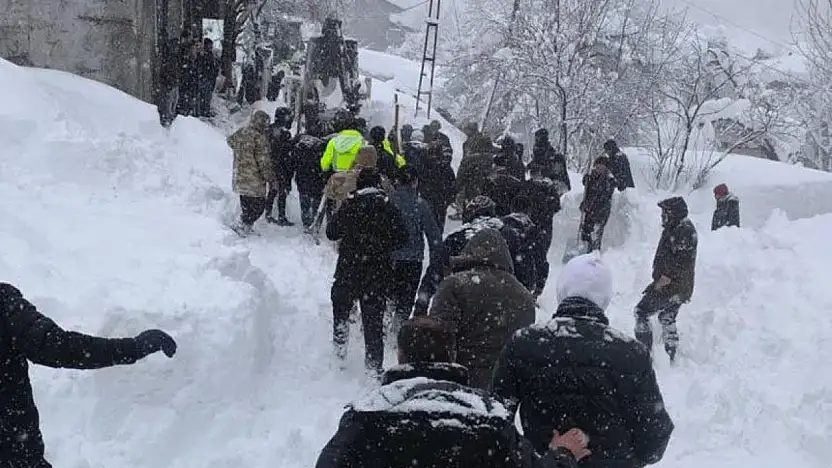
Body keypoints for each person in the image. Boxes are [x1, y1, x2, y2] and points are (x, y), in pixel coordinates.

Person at [315, 316, 590, 468]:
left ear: (401, 356)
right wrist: (562, 454)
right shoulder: (488, 417)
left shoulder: (367, 415)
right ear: (451, 357)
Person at [492, 255, 675, 468]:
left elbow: (497, 423)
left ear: (563, 290)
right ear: (604, 298)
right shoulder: (631, 354)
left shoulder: (525, 344)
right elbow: (654, 439)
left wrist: (539, 453)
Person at [0, 283, 177, 468]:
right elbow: (61, 348)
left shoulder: (5, 306)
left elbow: (59, 347)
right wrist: (132, 347)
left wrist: (131, 348)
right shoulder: (5, 304)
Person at [326, 167, 409, 375]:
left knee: (341, 312)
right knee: (373, 322)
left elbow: (331, 232)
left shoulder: (350, 205)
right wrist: (382, 243)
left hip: (348, 268)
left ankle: (339, 356)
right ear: (378, 184)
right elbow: (403, 238)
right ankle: (373, 367)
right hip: (378, 272)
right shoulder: (388, 207)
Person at [429, 229, 536, 389]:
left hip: (458, 386)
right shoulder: (524, 296)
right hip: (502, 390)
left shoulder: (454, 285)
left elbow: (437, 340)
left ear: (468, 252)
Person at [634, 197, 697, 363]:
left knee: (641, 312)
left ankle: (643, 355)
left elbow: (680, 262)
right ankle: (671, 352)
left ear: (673, 213)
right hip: (678, 286)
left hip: (673, 286)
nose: (662, 215)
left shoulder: (684, 231)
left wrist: (663, 280)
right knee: (667, 316)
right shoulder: (675, 227)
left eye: (665, 212)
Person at [389, 166, 444, 335]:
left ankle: (380, 329)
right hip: (412, 261)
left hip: (387, 259)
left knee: (387, 296)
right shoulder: (421, 205)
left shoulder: (388, 201)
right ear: (415, 182)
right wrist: (436, 263)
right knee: (405, 301)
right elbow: (433, 236)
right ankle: (397, 333)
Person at [228, 110, 275, 235]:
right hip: (254, 178)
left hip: (240, 174)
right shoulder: (260, 138)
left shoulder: (242, 132)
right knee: (259, 206)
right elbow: (263, 162)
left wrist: (242, 153)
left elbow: (230, 141)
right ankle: (242, 223)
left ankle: (245, 226)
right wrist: (270, 178)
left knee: (246, 203)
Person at [521, 165, 563, 296]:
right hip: (539, 227)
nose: (535, 176)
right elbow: (556, 207)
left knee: (532, 256)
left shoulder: (529, 187)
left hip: (534, 226)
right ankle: (533, 288)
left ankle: (531, 288)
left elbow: (556, 206)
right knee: (536, 257)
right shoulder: (546, 188)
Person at [324, 146, 394, 212]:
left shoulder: (341, 177)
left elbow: (329, 195)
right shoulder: (381, 178)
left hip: (348, 216)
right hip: (376, 215)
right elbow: (390, 193)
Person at [502, 195, 542, 294]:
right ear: (529, 210)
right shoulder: (532, 229)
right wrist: (538, 288)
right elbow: (540, 259)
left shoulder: (500, 225)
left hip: (501, 278)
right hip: (523, 282)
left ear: (511, 208)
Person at [265, 107, 296, 226]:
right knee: (281, 191)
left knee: (273, 190)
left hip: (270, 164)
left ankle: (268, 214)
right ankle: (281, 216)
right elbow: (286, 151)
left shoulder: (268, 129)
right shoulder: (283, 133)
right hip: (280, 166)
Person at [579, 157, 616, 253]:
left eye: (601, 166)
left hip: (600, 212)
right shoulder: (592, 176)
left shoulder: (609, 180)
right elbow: (588, 191)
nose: (598, 168)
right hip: (589, 211)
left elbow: (604, 195)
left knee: (595, 235)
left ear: (605, 168)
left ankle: (593, 255)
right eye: (597, 166)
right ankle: (583, 254)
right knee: (585, 232)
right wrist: (586, 179)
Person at [418, 141, 457, 232]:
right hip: (441, 200)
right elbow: (452, 186)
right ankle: (437, 240)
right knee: (438, 225)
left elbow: (420, 181)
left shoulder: (423, 166)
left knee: (427, 223)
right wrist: (449, 199)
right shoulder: (446, 167)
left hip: (428, 198)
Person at [456, 131, 495, 215]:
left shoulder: (469, 160)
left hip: (472, 195)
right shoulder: (495, 161)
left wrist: (457, 189)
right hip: (489, 196)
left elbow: (460, 178)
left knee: (470, 218)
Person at [294, 129, 326, 229]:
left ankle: (306, 222)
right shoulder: (322, 145)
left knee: (304, 200)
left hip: (302, 177)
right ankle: (315, 221)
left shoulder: (299, 144)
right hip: (317, 177)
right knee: (317, 200)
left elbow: (293, 162)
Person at [528, 128, 571, 194]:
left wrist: (546, 180)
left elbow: (559, 179)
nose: (536, 146)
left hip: (558, 189)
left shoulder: (556, 157)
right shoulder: (537, 157)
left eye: (538, 140)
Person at [157, 37, 181, 127]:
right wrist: (170, 81)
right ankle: (166, 121)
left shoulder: (175, 57)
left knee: (173, 103)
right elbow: (165, 72)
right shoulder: (167, 58)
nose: (176, 48)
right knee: (167, 105)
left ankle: (170, 119)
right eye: (175, 46)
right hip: (168, 85)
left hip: (174, 84)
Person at [196, 38, 219, 117]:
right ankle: (204, 111)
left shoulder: (210, 54)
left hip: (210, 78)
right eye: (209, 45)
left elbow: (213, 66)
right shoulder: (203, 55)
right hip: (205, 78)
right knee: (204, 95)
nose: (211, 46)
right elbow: (203, 66)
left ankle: (206, 109)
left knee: (208, 96)